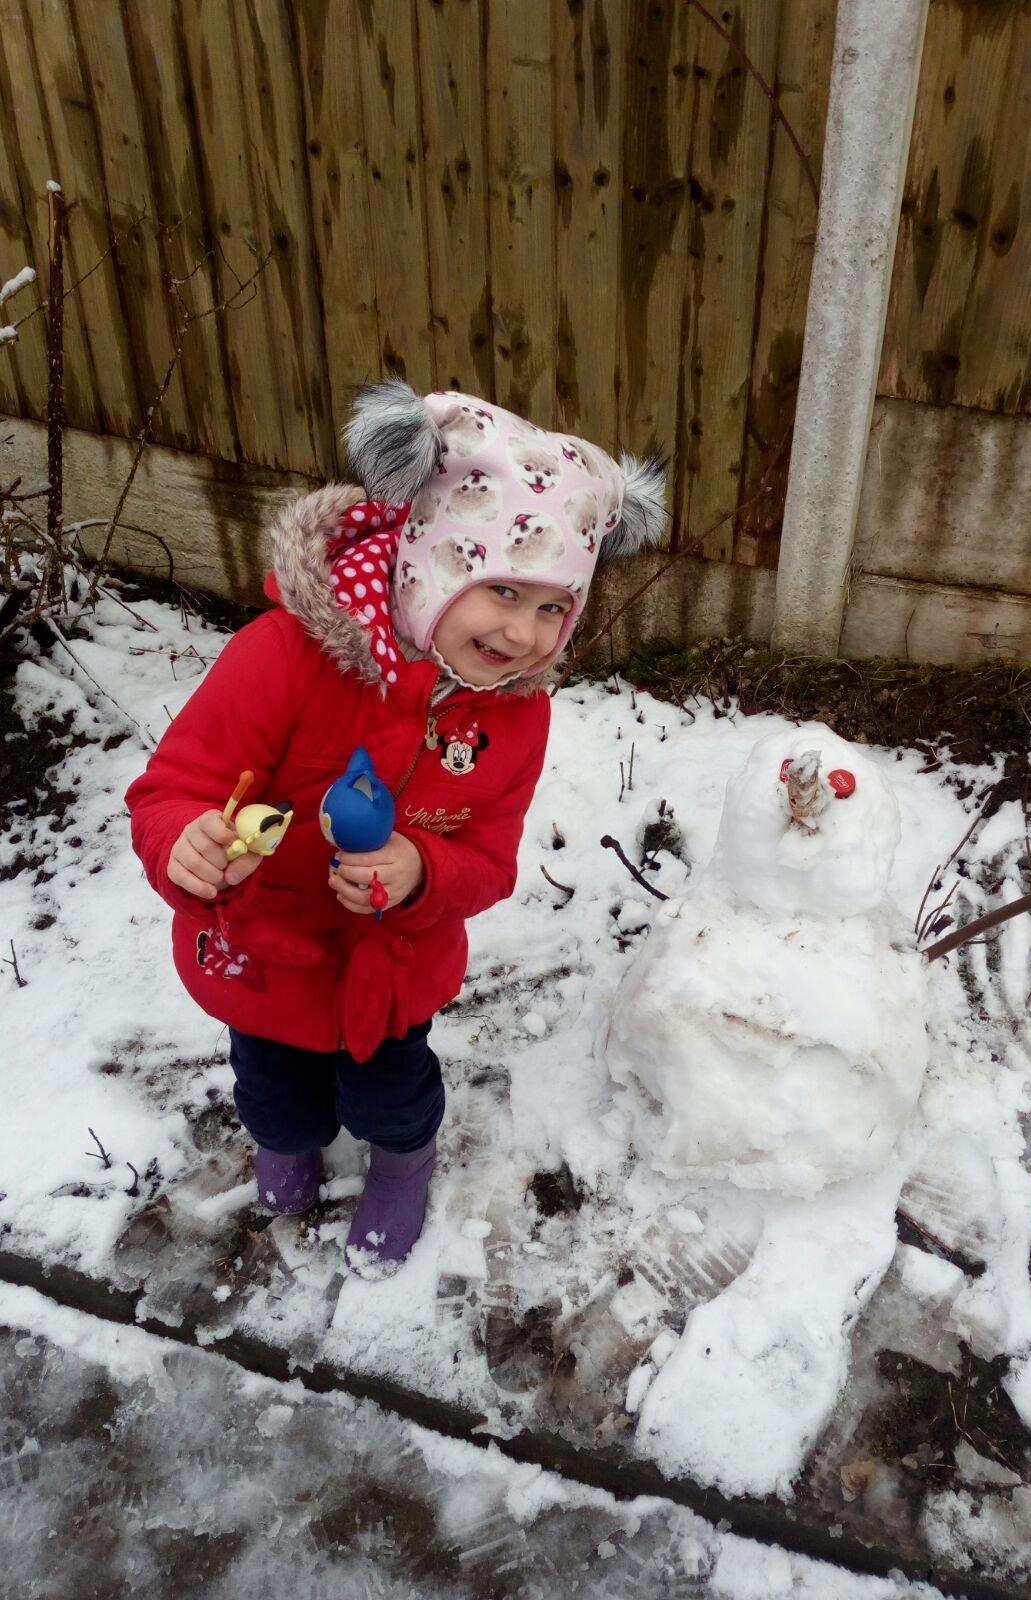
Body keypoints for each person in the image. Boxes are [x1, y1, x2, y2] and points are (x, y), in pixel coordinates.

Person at [125, 380, 666, 1273]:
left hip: (393, 974)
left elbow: (489, 860)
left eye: (553, 608)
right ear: (432, 563)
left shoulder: (514, 717)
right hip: (265, 955)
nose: (526, 634)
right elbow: (174, 785)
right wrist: (186, 840)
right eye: (502, 589)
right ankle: (287, 1142)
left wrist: (420, 872)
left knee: (392, 1097)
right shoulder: (283, 657)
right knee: (273, 1092)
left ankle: (403, 1164)